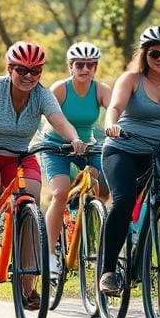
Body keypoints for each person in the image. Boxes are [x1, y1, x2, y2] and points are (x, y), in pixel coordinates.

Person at [0, 41, 86, 309]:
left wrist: (74, 139)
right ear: (9, 68)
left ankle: (27, 286)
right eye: (22, 70)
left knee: (31, 204)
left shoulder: (41, 95)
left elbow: (59, 121)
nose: (28, 76)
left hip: (19, 156)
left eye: (35, 71)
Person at [99, 26, 160, 294]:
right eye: (154, 53)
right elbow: (114, 107)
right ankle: (108, 271)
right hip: (123, 148)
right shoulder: (132, 79)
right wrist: (111, 124)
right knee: (123, 201)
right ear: (145, 54)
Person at [41, 41, 112, 276]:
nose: (85, 69)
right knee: (59, 193)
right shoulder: (60, 89)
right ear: (70, 66)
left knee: (105, 190)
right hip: (56, 145)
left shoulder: (100, 90)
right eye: (80, 64)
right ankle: (50, 255)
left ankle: (85, 214)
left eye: (91, 65)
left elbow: (116, 112)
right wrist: (70, 139)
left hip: (87, 145)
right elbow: (53, 119)